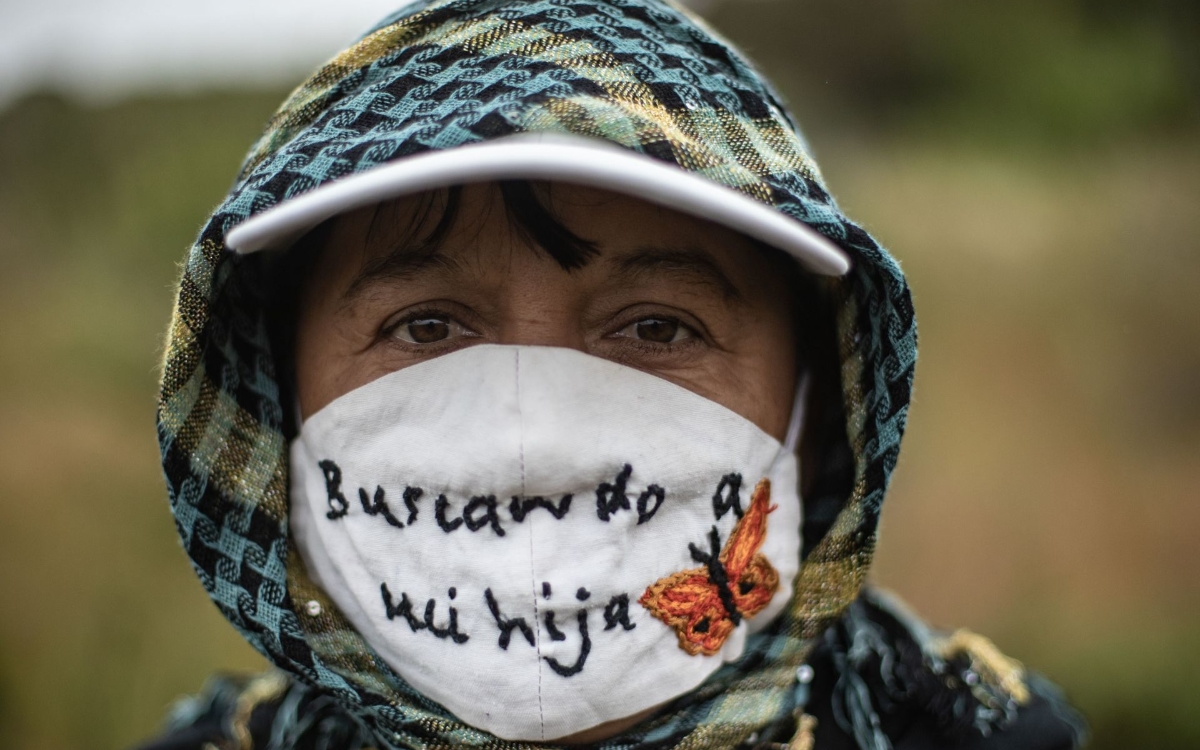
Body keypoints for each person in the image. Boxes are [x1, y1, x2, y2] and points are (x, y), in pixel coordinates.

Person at [142, 0, 1088, 748]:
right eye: (426, 327)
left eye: (655, 326)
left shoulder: (972, 733)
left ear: (816, 405)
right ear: (276, 393)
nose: (536, 438)